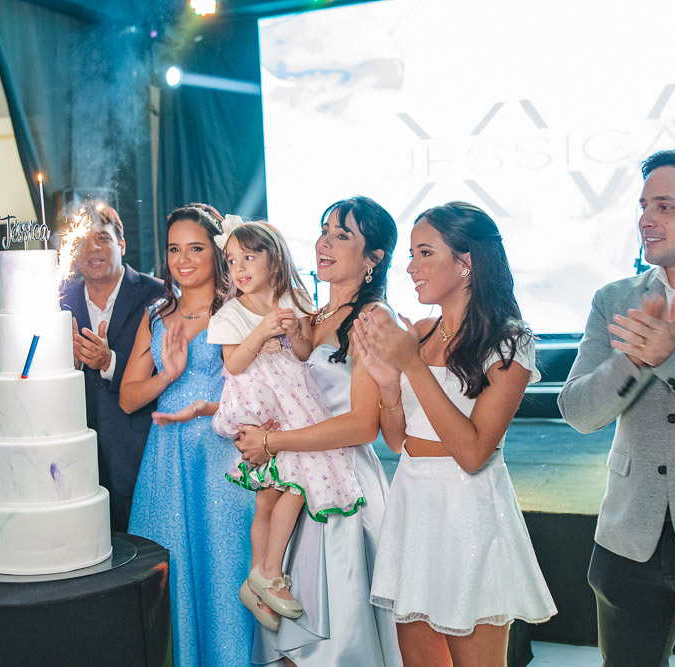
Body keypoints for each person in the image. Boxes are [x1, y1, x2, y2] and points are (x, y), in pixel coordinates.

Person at [358, 201, 556, 666]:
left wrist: (411, 366)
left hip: (469, 513)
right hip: (413, 504)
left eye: (425, 253)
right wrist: (388, 386)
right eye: (411, 254)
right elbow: (398, 441)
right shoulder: (421, 332)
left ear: (466, 262)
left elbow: (472, 453)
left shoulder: (509, 340)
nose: (411, 268)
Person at [558, 145, 675, 664]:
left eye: (666, 206)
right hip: (628, 538)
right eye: (644, 205)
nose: (646, 219)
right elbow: (579, 413)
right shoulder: (615, 299)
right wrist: (633, 362)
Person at [234, 196, 403, 666]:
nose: (324, 242)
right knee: (291, 643)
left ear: (374, 258)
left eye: (341, 235)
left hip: (339, 490)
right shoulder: (309, 317)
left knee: (333, 646)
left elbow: (362, 425)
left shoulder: (373, 318)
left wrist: (272, 442)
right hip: (292, 479)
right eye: (324, 230)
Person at [207, 218, 364, 633]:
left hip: (296, 402)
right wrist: (261, 332)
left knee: (292, 486)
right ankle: (267, 573)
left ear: (274, 260)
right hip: (261, 406)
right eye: (231, 261)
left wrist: (294, 332)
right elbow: (234, 364)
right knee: (272, 495)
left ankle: (261, 576)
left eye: (248, 257)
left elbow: (304, 354)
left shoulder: (293, 299)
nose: (238, 268)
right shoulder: (230, 313)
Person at [121, 204, 255, 667]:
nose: (183, 259)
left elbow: (263, 394)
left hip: (222, 454)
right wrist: (167, 377)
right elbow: (128, 398)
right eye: (174, 249)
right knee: (171, 568)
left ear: (217, 253)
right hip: (167, 456)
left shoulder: (240, 310)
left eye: (195, 248)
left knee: (225, 564)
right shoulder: (156, 314)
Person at [61, 202, 164, 532]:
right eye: (83, 240)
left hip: (137, 448)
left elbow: (170, 369)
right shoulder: (59, 300)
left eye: (103, 238)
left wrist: (110, 362)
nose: (93, 248)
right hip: (76, 453)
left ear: (121, 244)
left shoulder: (156, 294)